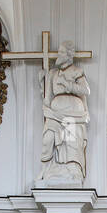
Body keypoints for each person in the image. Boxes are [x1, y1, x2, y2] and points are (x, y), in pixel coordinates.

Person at [40, 40, 90, 183]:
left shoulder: (77, 71)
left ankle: (72, 170)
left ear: (69, 55)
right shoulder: (52, 73)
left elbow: (85, 90)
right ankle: (47, 170)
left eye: (61, 52)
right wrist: (41, 87)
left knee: (71, 141)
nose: (58, 55)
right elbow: (48, 97)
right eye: (59, 52)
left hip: (72, 113)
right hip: (55, 113)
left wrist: (68, 84)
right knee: (48, 138)